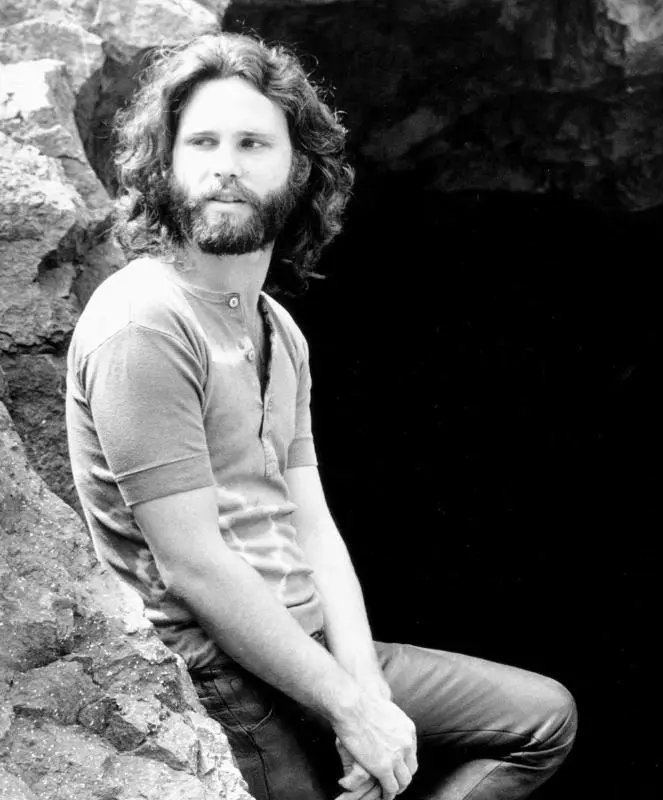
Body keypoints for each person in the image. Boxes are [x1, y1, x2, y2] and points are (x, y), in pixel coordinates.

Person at [65, 32, 576, 800]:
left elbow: (312, 525)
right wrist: (346, 707)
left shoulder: (279, 328)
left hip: (310, 641)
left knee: (541, 721)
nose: (224, 165)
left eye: (252, 143)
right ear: (164, 163)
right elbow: (193, 565)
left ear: (299, 170)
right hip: (219, 672)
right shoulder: (145, 322)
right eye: (200, 141)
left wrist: (366, 696)